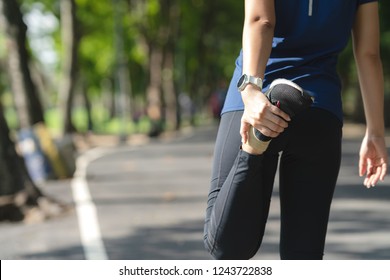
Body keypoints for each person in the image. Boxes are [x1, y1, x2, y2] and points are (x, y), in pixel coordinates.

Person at [203, 0, 388, 260]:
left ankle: (254, 144)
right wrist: (375, 132)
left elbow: (261, 21)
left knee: (223, 246)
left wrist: (251, 92)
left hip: (262, 94)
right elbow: (369, 54)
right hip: (319, 106)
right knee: (304, 255)